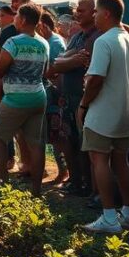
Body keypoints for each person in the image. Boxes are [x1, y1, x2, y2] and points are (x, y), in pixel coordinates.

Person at [80, 0, 129, 234]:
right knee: (121, 161)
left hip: (103, 113)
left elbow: (95, 79)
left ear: (106, 13)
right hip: (125, 112)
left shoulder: (104, 41)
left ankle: (108, 216)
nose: (93, 16)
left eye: (95, 11)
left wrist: (83, 105)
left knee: (99, 161)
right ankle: (128, 213)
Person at [0, 3, 50, 195]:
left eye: (16, 16)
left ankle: (2, 184)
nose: (14, 19)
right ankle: (37, 190)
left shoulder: (13, 43)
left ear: (23, 20)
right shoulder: (43, 43)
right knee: (36, 143)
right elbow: (45, 71)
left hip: (16, 97)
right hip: (38, 96)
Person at [50, 0, 101, 196]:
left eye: (82, 11)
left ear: (95, 12)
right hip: (69, 97)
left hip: (84, 99)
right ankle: (77, 180)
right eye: (77, 10)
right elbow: (58, 62)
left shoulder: (96, 36)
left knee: (85, 145)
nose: (77, 14)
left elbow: (73, 62)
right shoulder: (78, 37)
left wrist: (65, 60)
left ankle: (90, 186)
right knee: (69, 141)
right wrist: (66, 59)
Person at [38, 10, 70, 184]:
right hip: (48, 96)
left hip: (55, 97)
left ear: (42, 25)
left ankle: (64, 171)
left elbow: (58, 70)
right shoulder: (48, 41)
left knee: (58, 137)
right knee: (52, 136)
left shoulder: (55, 42)